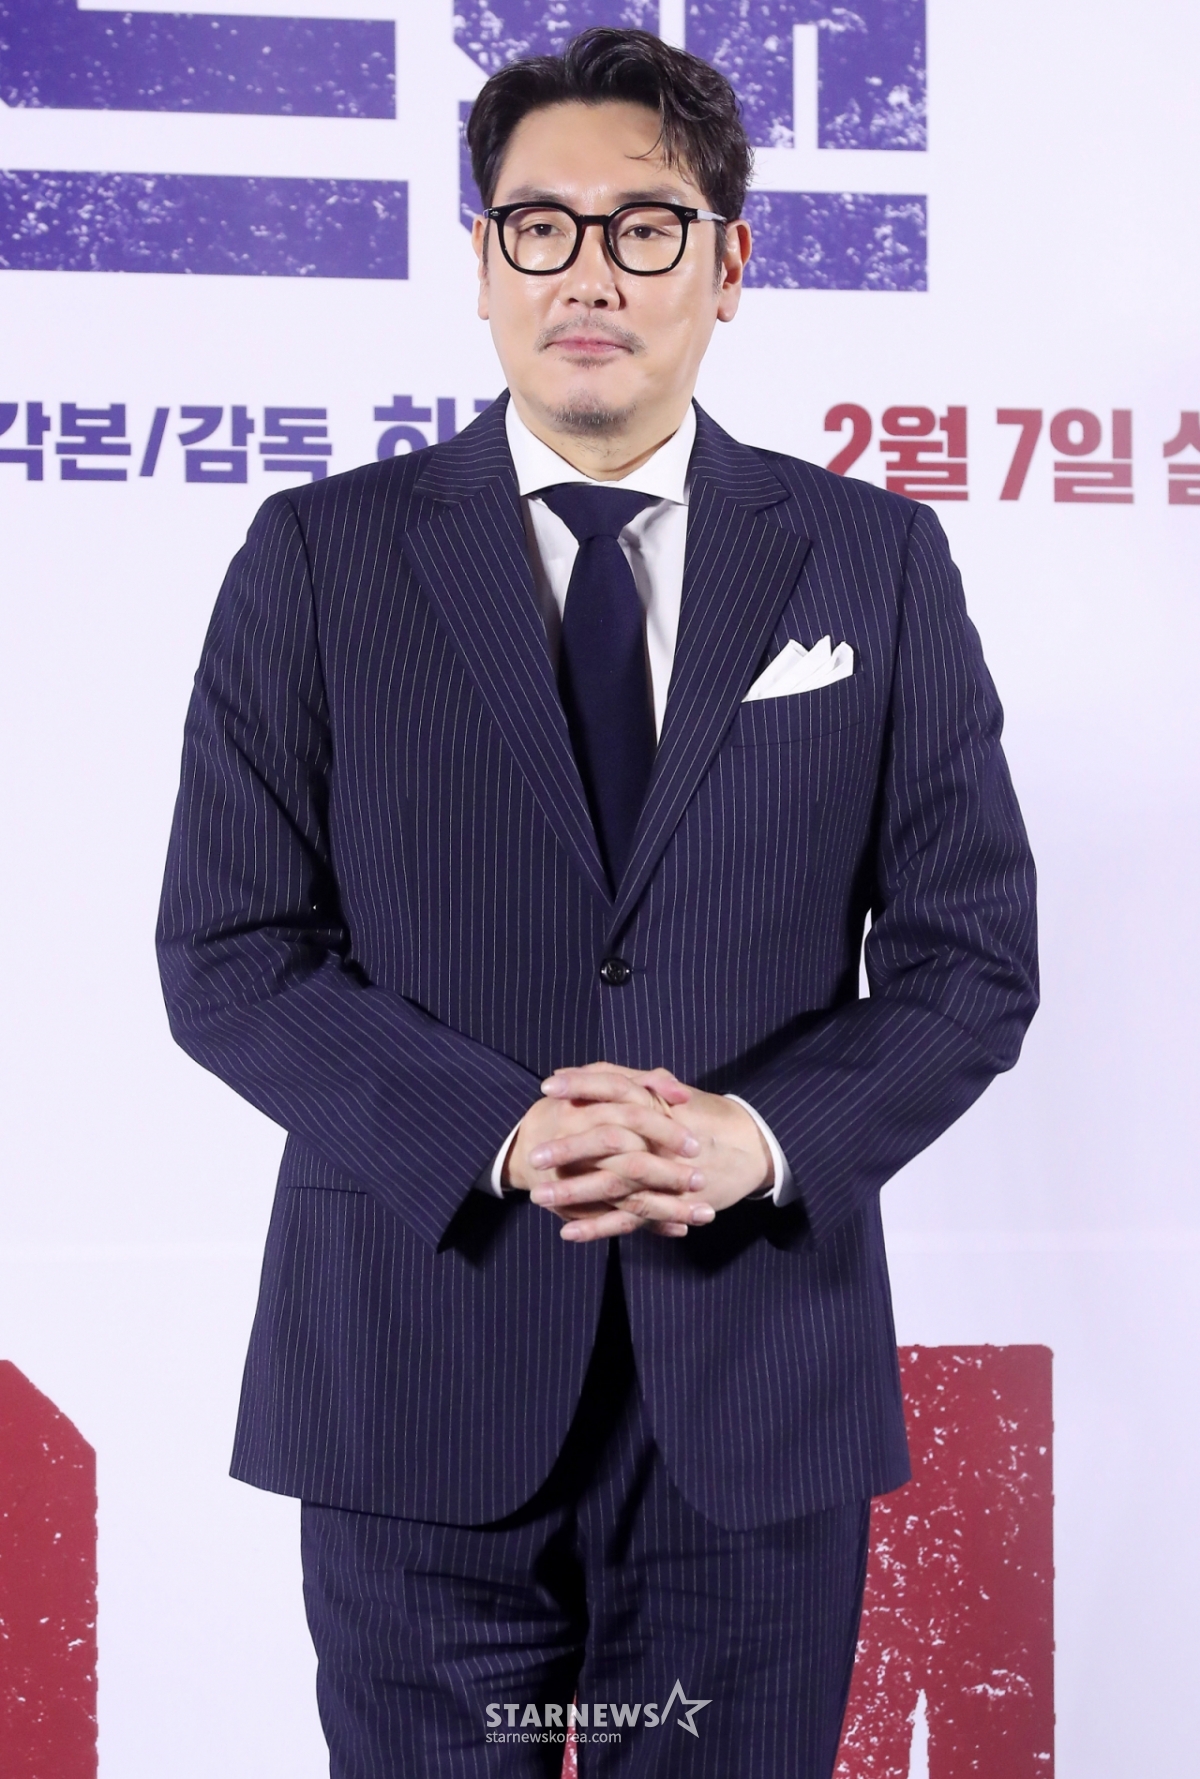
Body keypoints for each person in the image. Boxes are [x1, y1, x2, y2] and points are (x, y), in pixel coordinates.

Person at [157, 27, 1037, 1778]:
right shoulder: (320, 557)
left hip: (755, 1380)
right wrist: (500, 1130)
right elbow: (232, 951)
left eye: (644, 227)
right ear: (482, 260)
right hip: (419, 1366)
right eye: (539, 226)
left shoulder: (870, 559)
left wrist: (755, 1136)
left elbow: (968, 958)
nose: (589, 273)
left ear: (729, 262)